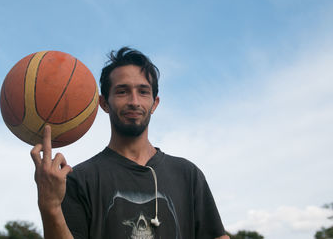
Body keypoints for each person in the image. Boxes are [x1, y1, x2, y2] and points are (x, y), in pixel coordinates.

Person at [30, 47, 229, 239]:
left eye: (143, 92)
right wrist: (51, 207)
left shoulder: (187, 174)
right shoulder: (79, 180)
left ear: (154, 103)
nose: (134, 101)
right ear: (104, 103)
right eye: (122, 91)